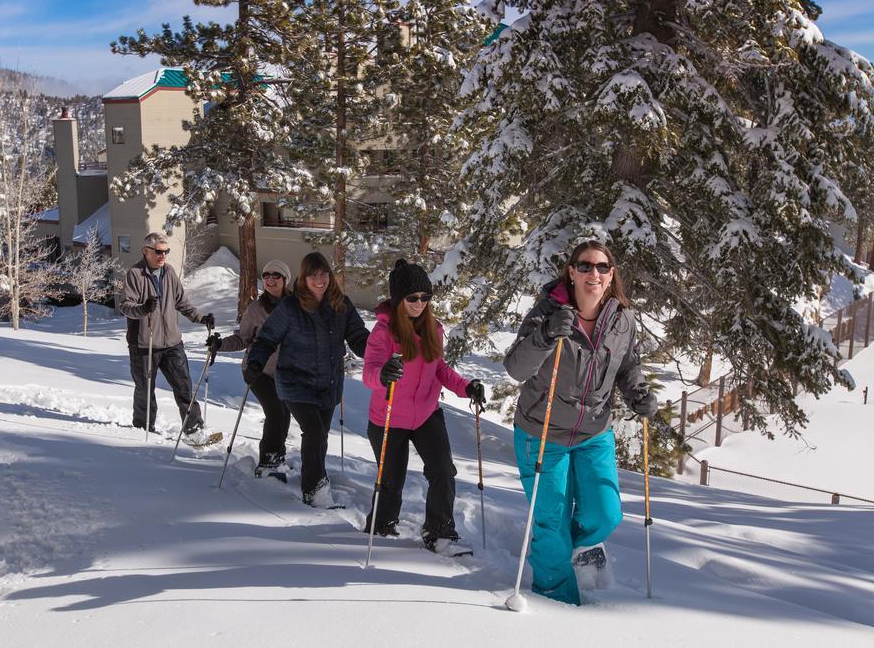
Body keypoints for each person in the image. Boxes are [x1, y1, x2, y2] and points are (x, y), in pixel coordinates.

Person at [504, 240, 657, 606]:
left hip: (593, 432)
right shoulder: (548, 312)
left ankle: (558, 549)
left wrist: (638, 392)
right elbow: (516, 368)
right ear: (571, 271)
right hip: (542, 432)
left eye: (602, 267)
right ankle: (556, 603)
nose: (594, 274)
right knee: (551, 520)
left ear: (611, 274)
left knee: (606, 513)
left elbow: (627, 366)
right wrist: (544, 335)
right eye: (585, 266)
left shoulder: (623, 319)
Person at [362, 259, 487, 555]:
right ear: (398, 299)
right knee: (392, 481)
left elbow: (439, 368)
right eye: (412, 298)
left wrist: (466, 386)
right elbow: (369, 373)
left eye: (425, 297)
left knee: (443, 471)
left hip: (426, 414)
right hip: (389, 417)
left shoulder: (434, 328)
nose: (419, 303)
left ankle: (440, 533)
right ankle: (380, 529)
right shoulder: (383, 333)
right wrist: (383, 374)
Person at [245, 252, 370, 507]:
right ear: (304, 278)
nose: (319, 279)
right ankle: (314, 490)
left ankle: (313, 477)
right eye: (313, 275)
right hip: (295, 382)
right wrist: (256, 361)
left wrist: (377, 353)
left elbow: (358, 336)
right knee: (313, 432)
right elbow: (267, 338)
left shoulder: (341, 305)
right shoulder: (291, 307)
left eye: (323, 273)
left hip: (328, 384)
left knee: (320, 435)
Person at [119, 232, 216, 442]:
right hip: (144, 343)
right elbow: (126, 306)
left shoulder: (169, 272)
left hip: (172, 342)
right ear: (146, 251)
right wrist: (143, 308)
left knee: (184, 387)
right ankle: (143, 429)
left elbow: (181, 301)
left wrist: (201, 318)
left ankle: (194, 430)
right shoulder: (135, 274)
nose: (163, 256)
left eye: (166, 251)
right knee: (145, 389)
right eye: (158, 252)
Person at [206, 259, 293, 477]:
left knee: (285, 414)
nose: (270, 279)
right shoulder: (256, 308)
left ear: (285, 280)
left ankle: (278, 457)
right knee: (275, 412)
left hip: (286, 372)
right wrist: (220, 345)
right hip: (257, 370)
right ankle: (268, 462)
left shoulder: (295, 305)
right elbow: (242, 339)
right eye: (266, 275)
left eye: (276, 275)